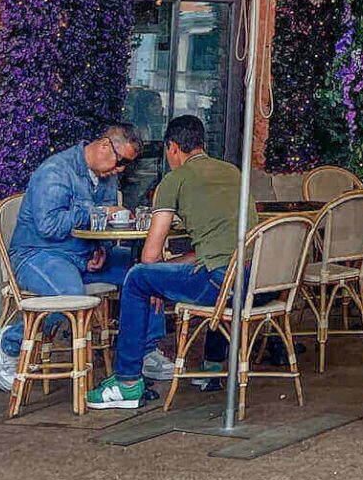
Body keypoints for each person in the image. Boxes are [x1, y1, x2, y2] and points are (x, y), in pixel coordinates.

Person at [88, 114, 251, 410]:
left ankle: (126, 382)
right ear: (201, 143)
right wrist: (170, 270)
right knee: (196, 269)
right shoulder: (234, 173)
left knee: (137, 278)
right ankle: (212, 367)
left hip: (221, 284)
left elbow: (150, 256)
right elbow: (216, 248)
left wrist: (158, 277)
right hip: (257, 282)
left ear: (172, 148)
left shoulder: (173, 180)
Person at [0, 121, 142, 396]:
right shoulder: (55, 171)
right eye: (121, 162)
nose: (121, 170)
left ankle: (147, 351)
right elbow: (49, 226)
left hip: (84, 256)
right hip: (39, 254)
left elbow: (102, 227)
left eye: (126, 166)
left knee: (142, 272)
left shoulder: (107, 177)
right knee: (69, 296)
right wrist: (96, 212)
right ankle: (9, 342)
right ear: (105, 146)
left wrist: (103, 250)